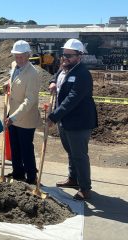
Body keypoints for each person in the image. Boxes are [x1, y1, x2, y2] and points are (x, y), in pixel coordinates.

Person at [48, 39, 98, 200]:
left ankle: (85, 188)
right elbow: (56, 76)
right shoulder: (65, 69)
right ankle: (73, 179)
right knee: (71, 152)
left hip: (79, 121)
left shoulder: (82, 74)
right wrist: (53, 82)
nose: (65, 58)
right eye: (64, 55)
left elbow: (72, 99)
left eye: (69, 55)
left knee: (79, 155)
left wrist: (54, 117)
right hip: (66, 120)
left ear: (79, 56)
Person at [4, 40, 41, 184]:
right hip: (12, 114)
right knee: (15, 147)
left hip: (25, 118)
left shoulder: (32, 74)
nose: (18, 59)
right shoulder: (14, 66)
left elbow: (29, 100)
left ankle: (31, 177)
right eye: (16, 56)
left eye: (21, 56)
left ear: (28, 55)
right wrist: (8, 84)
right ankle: (18, 173)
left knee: (26, 149)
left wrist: (13, 117)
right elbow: (13, 79)